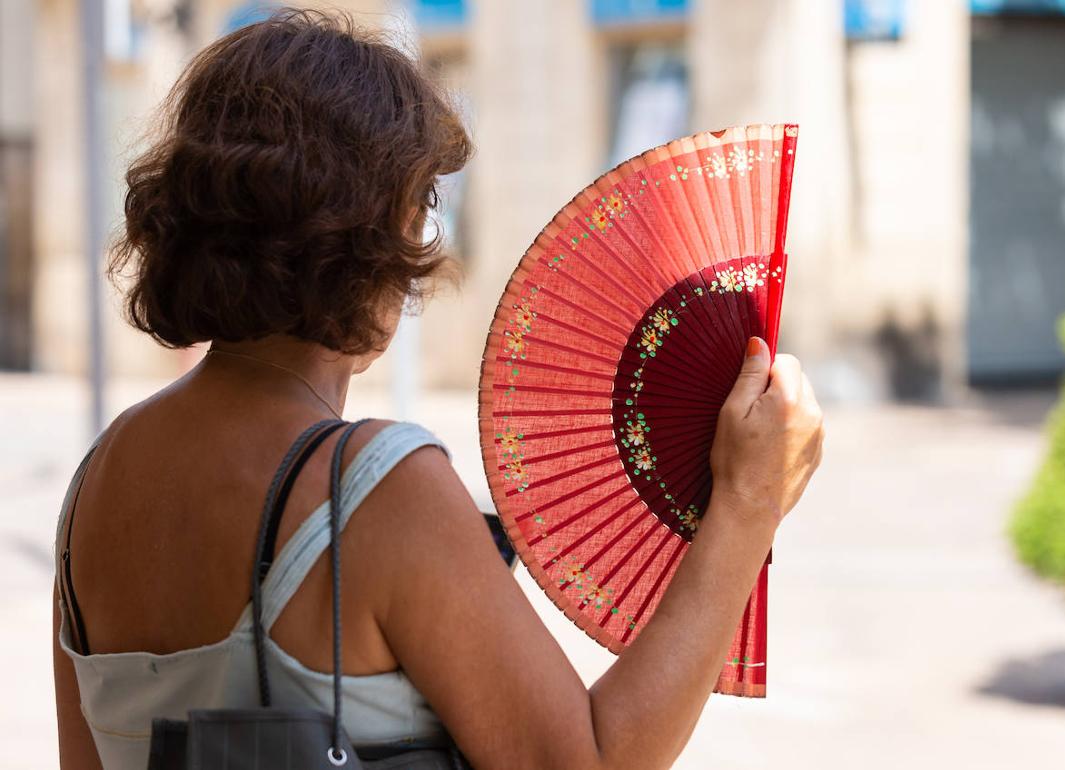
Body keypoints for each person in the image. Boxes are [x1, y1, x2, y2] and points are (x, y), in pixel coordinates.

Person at [52, 9, 824, 770]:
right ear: (371, 234)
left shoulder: (97, 483)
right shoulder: (374, 490)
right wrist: (746, 504)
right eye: (420, 207)